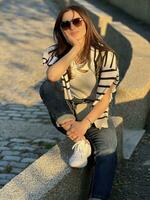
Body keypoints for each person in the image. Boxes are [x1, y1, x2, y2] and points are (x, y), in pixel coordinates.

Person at [39, 5, 119, 200]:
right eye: (65, 24)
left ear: (86, 23)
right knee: (46, 87)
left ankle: (97, 197)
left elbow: (105, 97)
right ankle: (81, 142)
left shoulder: (105, 55)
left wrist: (84, 124)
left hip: (96, 113)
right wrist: (75, 48)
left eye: (76, 21)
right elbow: (52, 77)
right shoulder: (54, 53)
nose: (72, 27)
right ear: (60, 30)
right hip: (67, 113)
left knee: (108, 150)